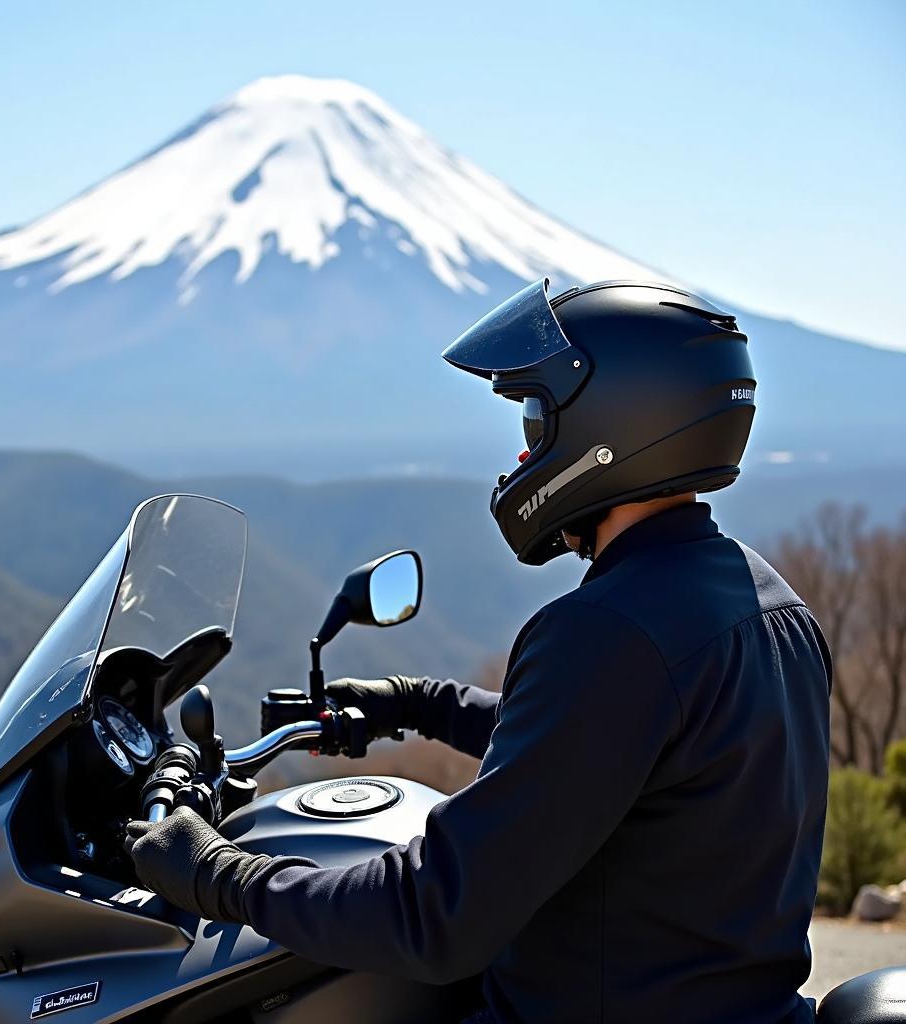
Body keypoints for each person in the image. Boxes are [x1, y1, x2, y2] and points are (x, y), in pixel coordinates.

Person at [127, 280, 832, 1024]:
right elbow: (604, 757)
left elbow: (434, 917)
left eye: (538, 416)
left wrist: (216, 873)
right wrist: (419, 704)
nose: (526, 449)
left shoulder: (607, 632)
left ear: (613, 426)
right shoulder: (768, 601)